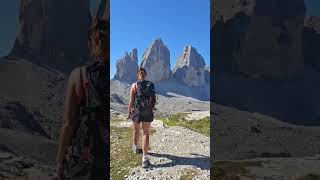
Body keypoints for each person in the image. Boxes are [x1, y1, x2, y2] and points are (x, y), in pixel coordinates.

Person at [54, 16, 109, 180]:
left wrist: (59, 162)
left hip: (84, 162)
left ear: (91, 44)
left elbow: (68, 124)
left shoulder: (79, 76)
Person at [128, 68, 156, 168]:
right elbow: (153, 100)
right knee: (145, 133)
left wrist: (128, 112)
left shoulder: (134, 85)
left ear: (138, 75)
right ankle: (144, 158)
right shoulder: (150, 84)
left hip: (137, 112)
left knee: (136, 130)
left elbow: (131, 101)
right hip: (148, 112)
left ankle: (135, 148)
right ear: (146, 75)